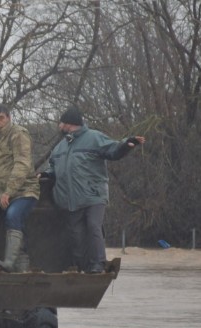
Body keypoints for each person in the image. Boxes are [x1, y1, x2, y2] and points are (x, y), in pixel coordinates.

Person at [41, 106, 145, 273]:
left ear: (69, 123)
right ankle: (81, 267)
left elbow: (113, 150)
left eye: (61, 123)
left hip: (93, 196)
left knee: (93, 226)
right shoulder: (60, 147)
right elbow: (53, 168)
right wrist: (45, 174)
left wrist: (126, 145)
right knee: (76, 234)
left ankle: (98, 264)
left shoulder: (94, 138)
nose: (59, 126)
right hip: (70, 200)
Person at [0, 104, 39, 272]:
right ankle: (22, 268)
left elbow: (22, 164)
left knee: (13, 217)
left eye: (1, 118)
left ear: (8, 118)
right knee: (13, 225)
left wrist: (9, 191)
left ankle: (9, 263)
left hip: (23, 190)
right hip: (0, 193)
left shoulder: (18, 134)